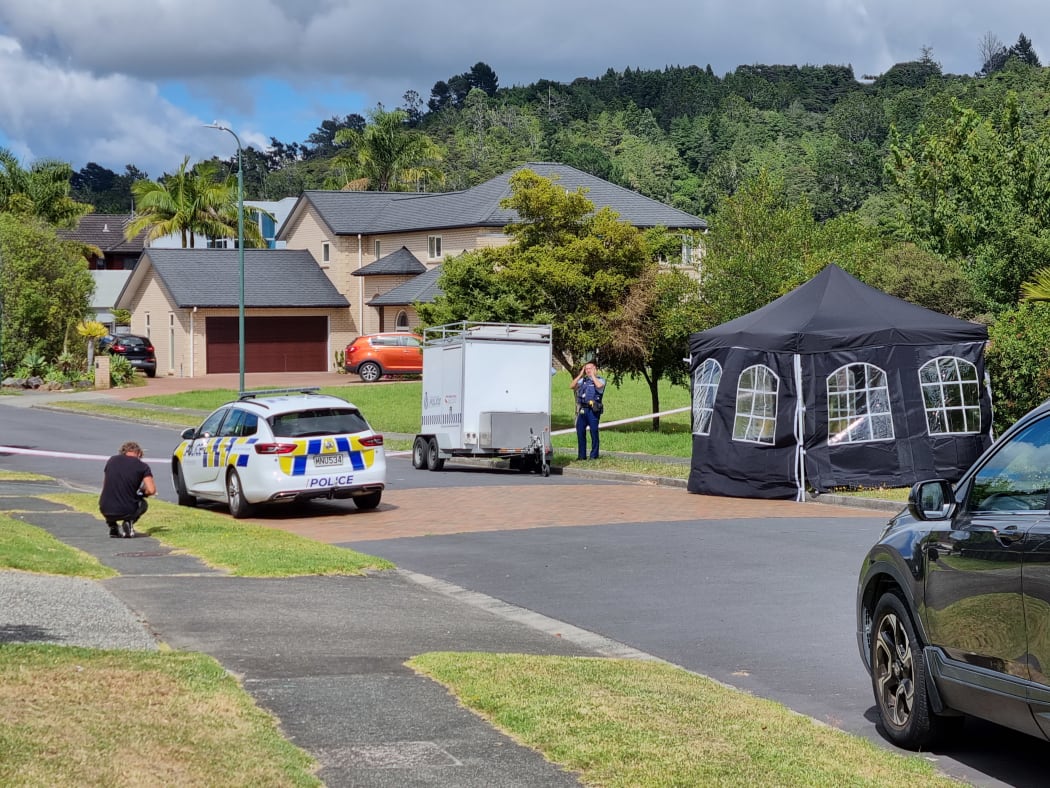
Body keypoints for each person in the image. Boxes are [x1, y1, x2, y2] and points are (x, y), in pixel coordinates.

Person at [99, 441, 155, 538]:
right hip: (126, 509)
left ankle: (113, 527)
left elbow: (105, 485)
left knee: (111, 500)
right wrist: (142, 492)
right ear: (139, 453)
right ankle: (129, 521)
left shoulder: (111, 460)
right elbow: (151, 490)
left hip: (105, 507)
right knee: (143, 504)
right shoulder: (143, 466)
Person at [571, 361, 606, 460]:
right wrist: (580, 375)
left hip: (593, 410)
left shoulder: (601, 380)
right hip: (583, 409)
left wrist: (593, 376)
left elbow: (599, 386)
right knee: (580, 431)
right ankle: (581, 456)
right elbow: (572, 386)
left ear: (595, 369)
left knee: (594, 432)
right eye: (586, 369)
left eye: (590, 368)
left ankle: (594, 456)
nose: (588, 370)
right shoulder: (583, 381)